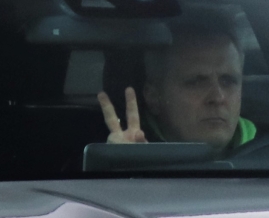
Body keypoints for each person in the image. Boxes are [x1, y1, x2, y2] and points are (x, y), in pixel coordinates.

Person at [97, 16, 258, 155]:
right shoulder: (133, 152)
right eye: (196, 82)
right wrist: (131, 170)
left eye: (228, 81)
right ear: (153, 96)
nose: (218, 97)